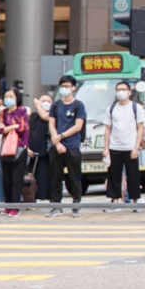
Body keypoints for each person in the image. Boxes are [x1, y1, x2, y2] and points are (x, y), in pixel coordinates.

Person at [102, 80, 145, 204]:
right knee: (114, 176)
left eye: (123, 89)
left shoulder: (136, 107)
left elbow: (140, 128)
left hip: (130, 146)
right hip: (114, 147)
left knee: (133, 175)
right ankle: (115, 200)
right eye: (118, 90)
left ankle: (135, 200)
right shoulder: (111, 108)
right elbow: (107, 129)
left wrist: (136, 148)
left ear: (129, 92)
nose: (121, 92)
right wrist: (106, 148)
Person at [47, 74, 87, 210]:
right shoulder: (56, 105)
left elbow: (78, 126)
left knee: (74, 176)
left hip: (72, 145)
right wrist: (57, 142)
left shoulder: (78, 106)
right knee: (56, 177)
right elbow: (52, 124)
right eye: (62, 86)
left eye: (67, 86)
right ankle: (56, 204)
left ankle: (76, 203)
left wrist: (61, 136)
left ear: (73, 88)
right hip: (56, 146)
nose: (65, 89)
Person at [0, 88, 30, 208]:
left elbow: (22, 128)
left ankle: (15, 206)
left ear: (17, 98)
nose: (8, 98)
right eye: (6, 96)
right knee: (6, 180)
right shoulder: (3, 113)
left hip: (19, 148)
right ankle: (8, 205)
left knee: (17, 179)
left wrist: (7, 127)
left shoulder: (22, 110)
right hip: (6, 149)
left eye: (11, 96)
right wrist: (13, 126)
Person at [28, 92, 54, 203]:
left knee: (51, 175)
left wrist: (38, 104)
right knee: (36, 175)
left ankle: (51, 196)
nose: (46, 103)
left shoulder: (53, 116)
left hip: (50, 151)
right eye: (43, 101)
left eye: (49, 101)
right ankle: (34, 196)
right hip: (36, 151)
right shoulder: (33, 117)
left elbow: (45, 117)